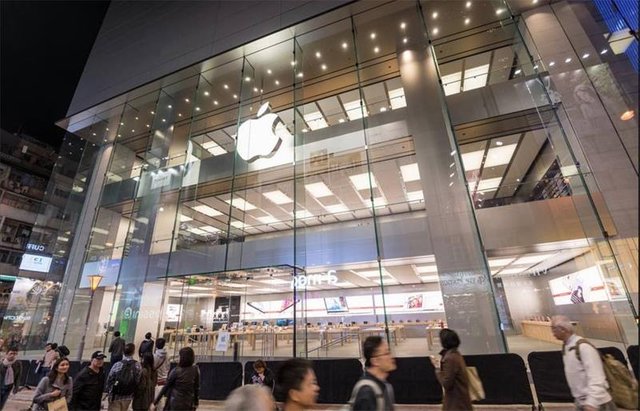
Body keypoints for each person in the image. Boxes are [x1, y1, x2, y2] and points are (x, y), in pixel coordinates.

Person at [551, 315, 616, 411]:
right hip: (583, 403)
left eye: (553, 328)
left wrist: (592, 402)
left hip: (598, 404)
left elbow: (597, 377)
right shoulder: (567, 346)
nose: (552, 332)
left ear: (563, 329)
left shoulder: (583, 347)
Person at [430, 328, 472, 411]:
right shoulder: (455, 354)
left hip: (456, 402)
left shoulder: (450, 358)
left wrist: (437, 368)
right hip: (460, 398)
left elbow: (447, 383)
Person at [351, 335, 396, 410]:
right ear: (375, 361)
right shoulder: (367, 392)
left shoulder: (383, 384)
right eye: (387, 353)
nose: (391, 357)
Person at [154, 347, 199, 411]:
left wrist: (155, 402)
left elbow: (165, 388)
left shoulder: (176, 371)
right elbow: (197, 388)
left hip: (175, 403)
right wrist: (196, 403)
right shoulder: (195, 370)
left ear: (182, 358)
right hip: (188, 403)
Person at [107, 343, 142, 411]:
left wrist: (109, 391)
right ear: (133, 352)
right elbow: (138, 380)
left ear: (123, 352)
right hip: (128, 396)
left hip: (115, 395)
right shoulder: (137, 365)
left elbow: (110, 379)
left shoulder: (118, 364)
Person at [153, 337, 170, 410]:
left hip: (156, 379)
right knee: (161, 398)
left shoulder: (154, 356)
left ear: (156, 345)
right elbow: (168, 366)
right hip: (164, 378)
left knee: (155, 399)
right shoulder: (167, 355)